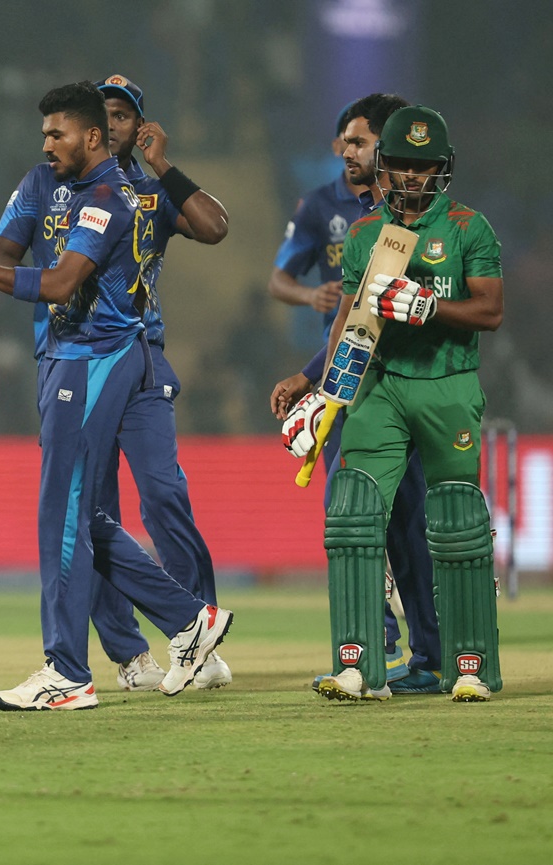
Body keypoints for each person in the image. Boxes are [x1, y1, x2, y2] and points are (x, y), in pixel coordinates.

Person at [0, 81, 233, 710]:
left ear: (95, 136)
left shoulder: (112, 195)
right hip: (73, 356)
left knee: (73, 511)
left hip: (93, 360)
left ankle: (67, 672)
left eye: (58, 133)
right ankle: (188, 621)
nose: (46, 143)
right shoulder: (53, 186)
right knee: (81, 515)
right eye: (45, 134)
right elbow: (17, 256)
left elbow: (58, 283)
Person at [310, 106, 503, 702]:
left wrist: (428, 308)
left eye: (426, 167)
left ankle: (469, 665)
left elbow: (490, 312)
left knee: (456, 521)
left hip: (448, 383)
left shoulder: (470, 227)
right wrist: (322, 392)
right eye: (404, 166)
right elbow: (349, 319)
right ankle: (358, 666)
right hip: (382, 384)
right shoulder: (368, 235)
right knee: (352, 514)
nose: (414, 178)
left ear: (441, 170)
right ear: (385, 169)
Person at [270, 94, 442, 695]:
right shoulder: (351, 215)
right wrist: (316, 378)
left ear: (388, 149)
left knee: (383, 516)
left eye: (359, 142)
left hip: (403, 385)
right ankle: (402, 652)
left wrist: (314, 380)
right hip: (356, 381)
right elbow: (351, 310)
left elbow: (368, 311)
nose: (346, 152)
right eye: (343, 141)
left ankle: (395, 653)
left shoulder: (413, 220)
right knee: (385, 520)